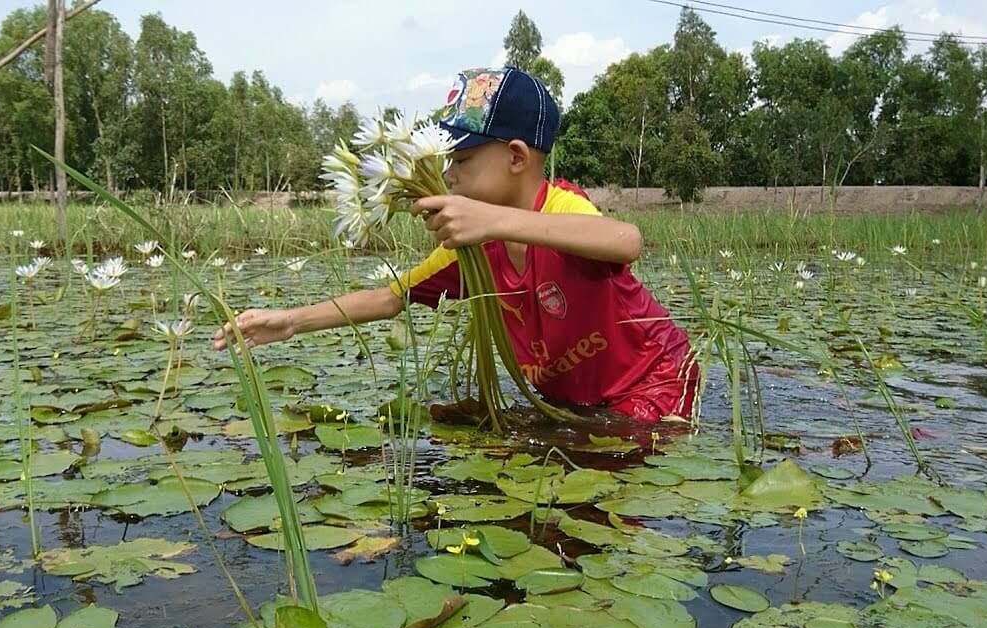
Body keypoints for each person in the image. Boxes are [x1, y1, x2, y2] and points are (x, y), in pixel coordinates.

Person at [213, 66, 696, 423]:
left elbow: (624, 240)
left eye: (461, 160)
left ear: (515, 157)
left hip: (657, 384)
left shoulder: (562, 210)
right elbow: (388, 299)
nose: (448, 175)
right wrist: (290, 322)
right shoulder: (471, 249)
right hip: (574, 401)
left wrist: (494, 220)